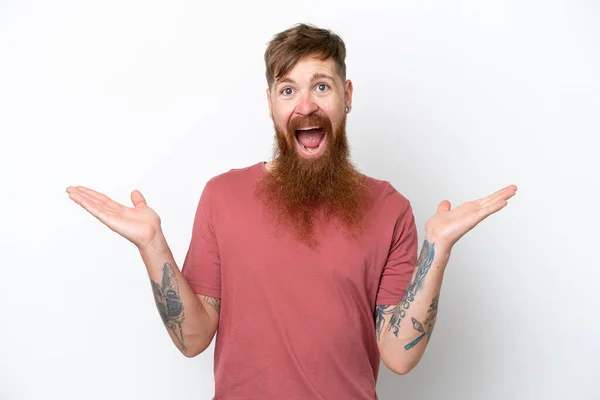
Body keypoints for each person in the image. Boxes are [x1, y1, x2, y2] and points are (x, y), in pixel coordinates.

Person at [66, 23, 517, 400]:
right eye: (288, 90)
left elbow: (399, 355)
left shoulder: (389, 208)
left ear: (347, 95)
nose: (306, 105)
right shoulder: (222, 196)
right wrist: (152, 246)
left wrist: (436, 251)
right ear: (270, 103)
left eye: (322, 86)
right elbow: (194, 338)